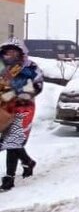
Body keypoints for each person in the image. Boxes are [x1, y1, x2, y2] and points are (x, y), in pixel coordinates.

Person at [0, 38, 43, 191]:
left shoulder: (30, 67)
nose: (10, 54)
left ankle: (9, 178)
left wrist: (19, 93)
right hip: (4, 107)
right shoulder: (1, 67)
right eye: (7, 51)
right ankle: (28, 162)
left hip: (24, 107)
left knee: (13, 139)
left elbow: (37, 85)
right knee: (9, 140)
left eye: (14, 51)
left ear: (20, 53)